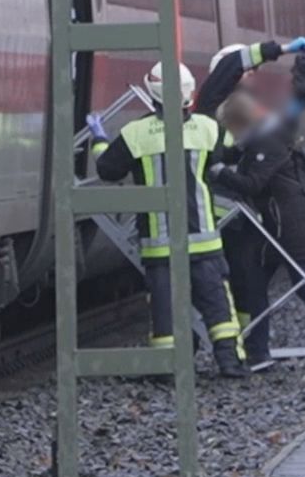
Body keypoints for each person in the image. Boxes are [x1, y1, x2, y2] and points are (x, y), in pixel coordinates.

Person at [90, 60, 247, 379]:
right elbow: (231, 152)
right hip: (204, 239)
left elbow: (108, 169)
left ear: (152, 93)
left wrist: (98, 140)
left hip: (160, 245)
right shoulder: (207, 127)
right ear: (189, 94)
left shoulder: (136, 133)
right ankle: (230, 362)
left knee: (164, 308)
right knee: (217, 305)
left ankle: (166, 369)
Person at [211, 91, 305, 370]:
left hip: (289, 226)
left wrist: (221, 172)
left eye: (230, 127)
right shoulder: (261, 137)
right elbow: (236, 156)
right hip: (275, 227)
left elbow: (254, 184)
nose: (231, 134)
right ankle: (258, 352)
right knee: (258, 284)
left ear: (239, 121)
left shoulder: (267, 141)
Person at [197, 37, 305, 117]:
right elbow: (235, 62)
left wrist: (290, 118)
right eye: (247, 68)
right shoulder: (209, 102)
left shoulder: (253, 111)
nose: (252, 73)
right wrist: (281, 49)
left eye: (255, 68)